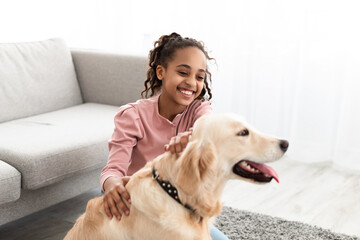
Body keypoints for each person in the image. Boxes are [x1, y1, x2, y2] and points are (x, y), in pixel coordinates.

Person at [100, 32, 229, 240]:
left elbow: (208, 128)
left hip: (176, 206)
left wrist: (191, 137)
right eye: (183, 72)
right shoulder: (133, 115)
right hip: (134, 201)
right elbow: (113, 169)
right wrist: (111, 184)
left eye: (199, 77)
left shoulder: (200, 110)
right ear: (161, 72)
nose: (191, 82)